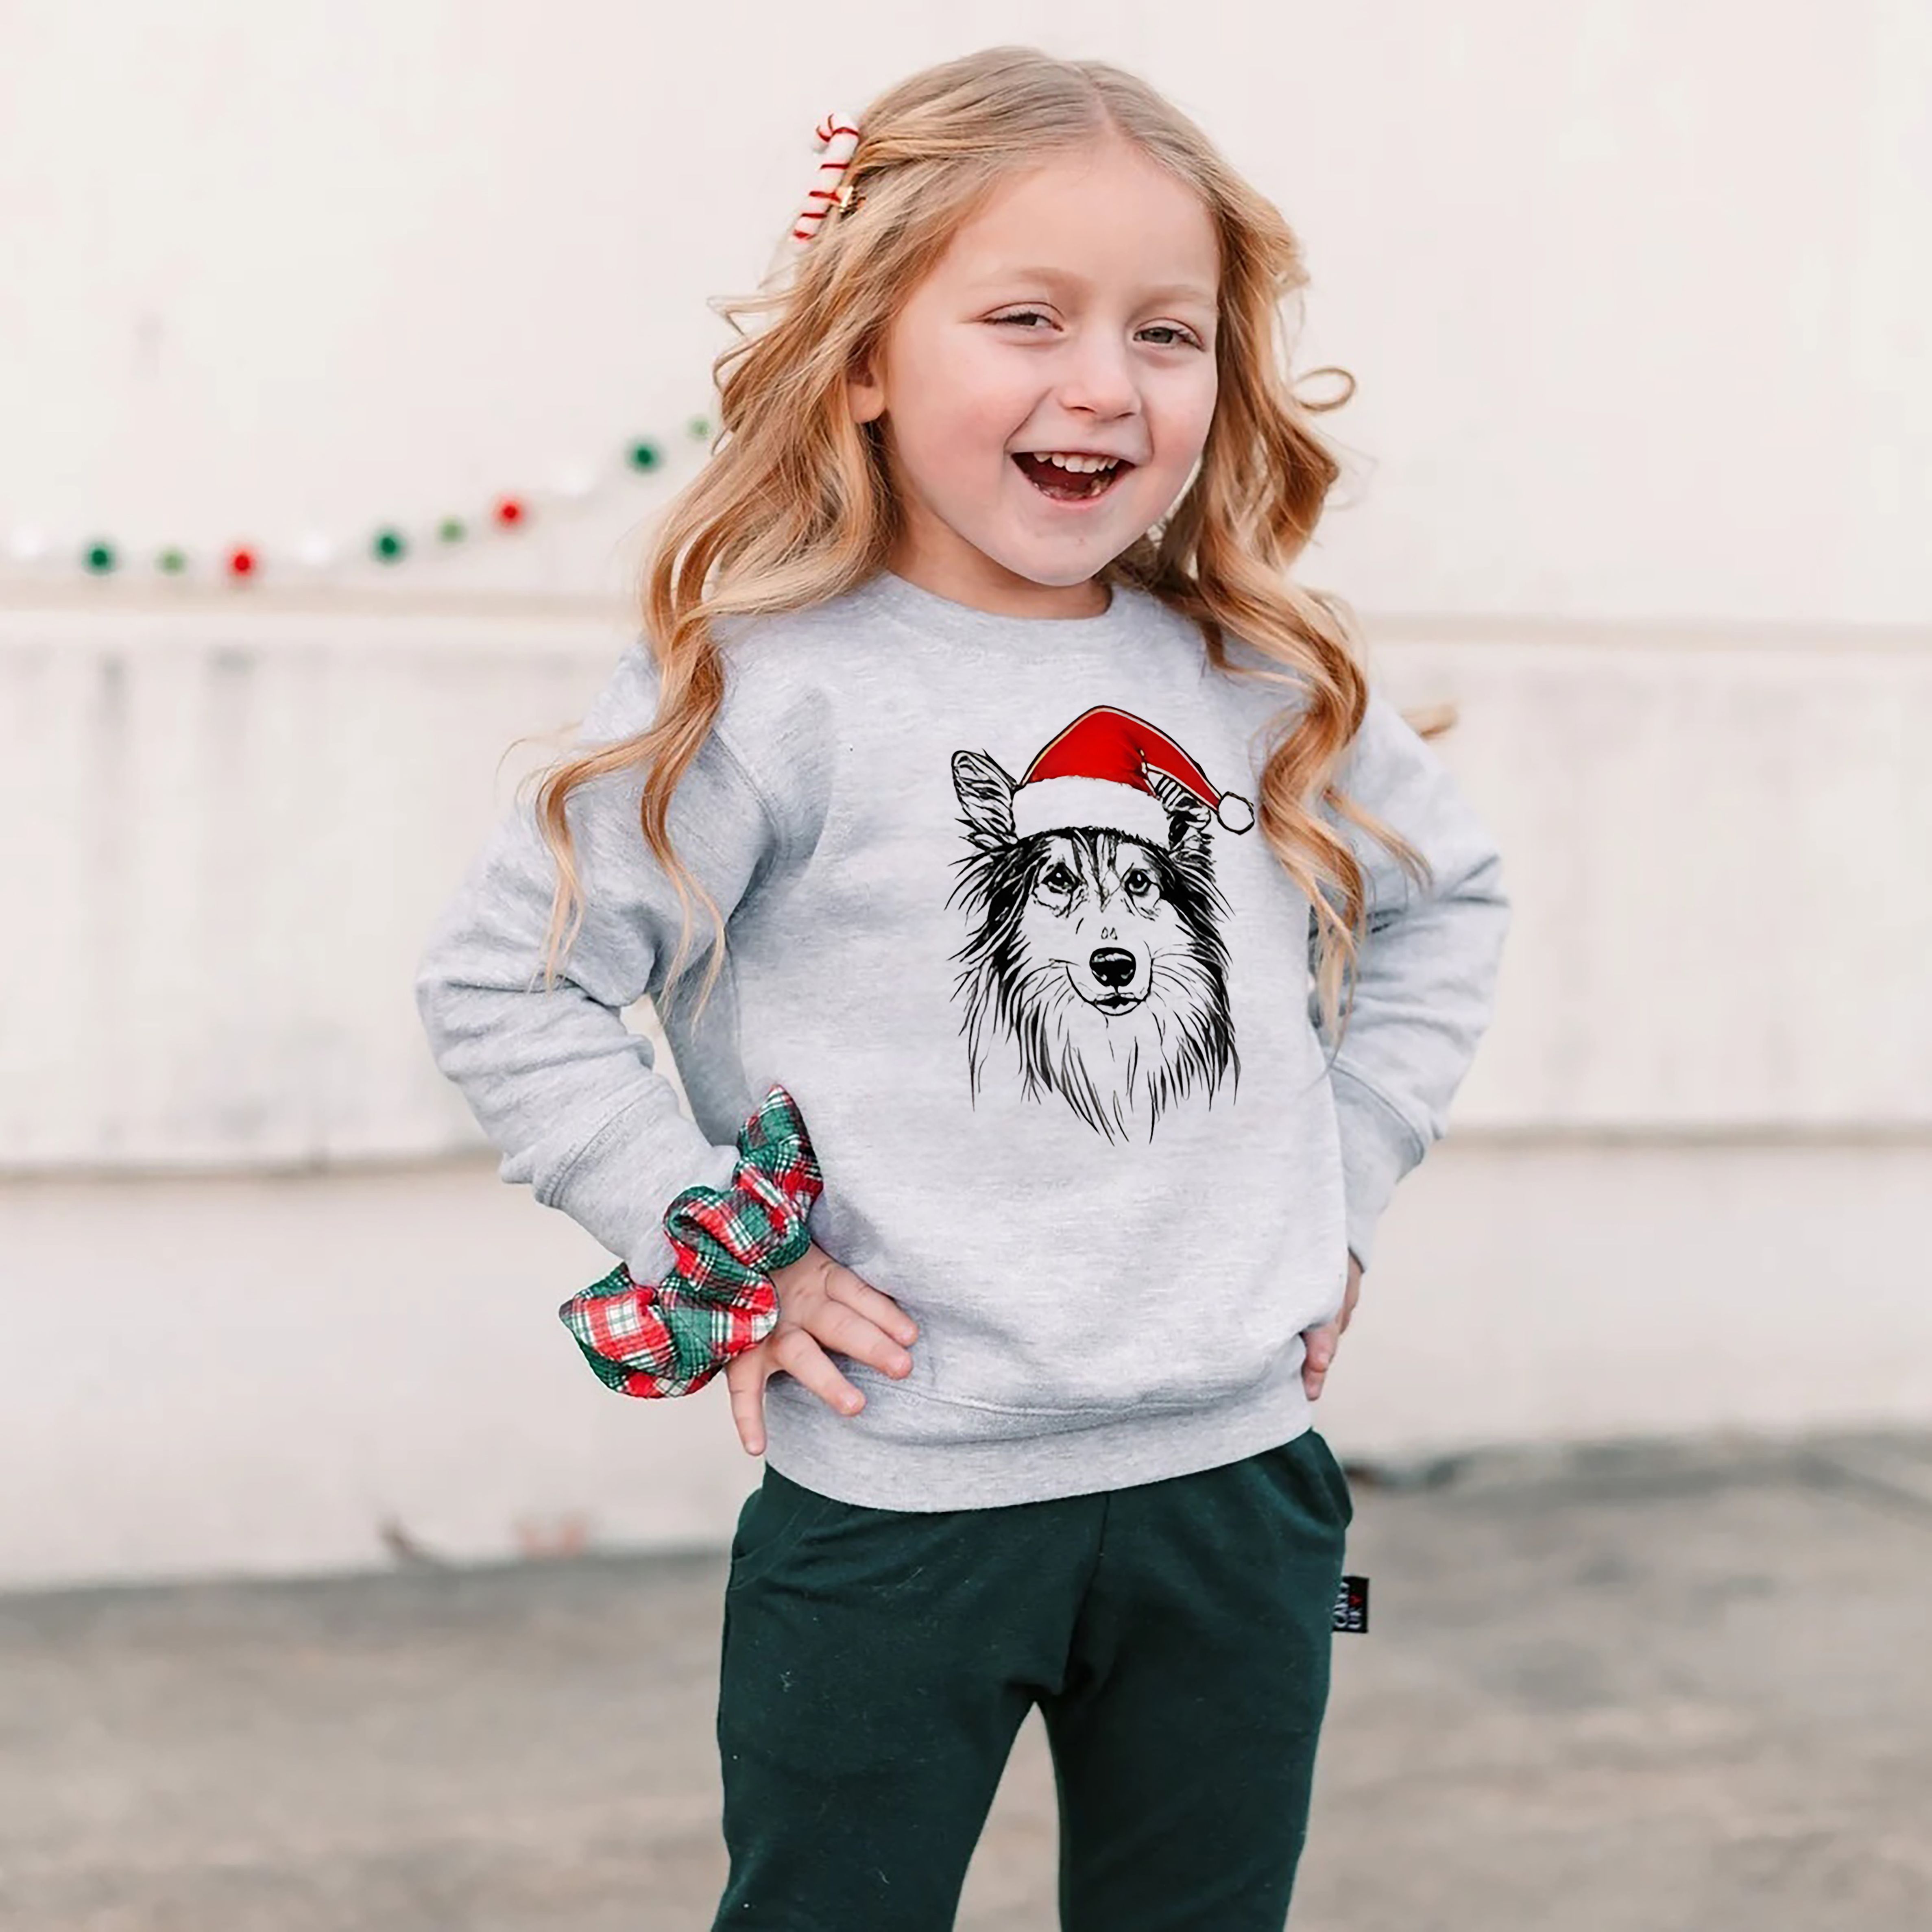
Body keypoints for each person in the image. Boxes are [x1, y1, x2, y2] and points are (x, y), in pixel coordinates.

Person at [414, 44, 1509, 1931]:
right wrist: (710, 1241)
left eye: (1168, 333)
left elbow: (1448, 900)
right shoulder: (767, 687)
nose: (1104, 383)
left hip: (1246, 1495)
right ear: (862, 354)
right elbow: (508, 983)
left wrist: (1343, 1178)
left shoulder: (1252, 677)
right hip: (900, 1513)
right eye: (1026, 318)